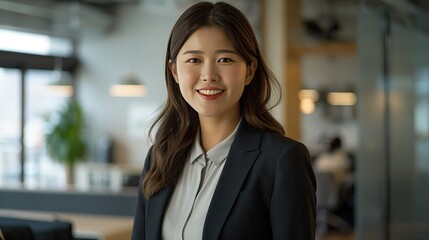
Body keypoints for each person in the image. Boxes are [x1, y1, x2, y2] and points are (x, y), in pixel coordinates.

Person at [131, 2, 316, 240]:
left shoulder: (283, 160)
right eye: (194, 60)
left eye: (225, 60)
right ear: (174, 71)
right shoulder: (160, 157)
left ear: (249, 70)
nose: (209, 75)